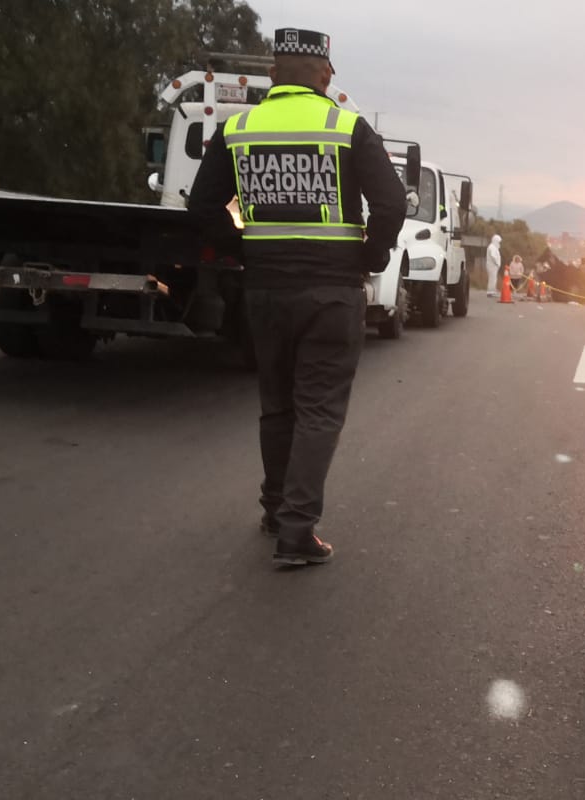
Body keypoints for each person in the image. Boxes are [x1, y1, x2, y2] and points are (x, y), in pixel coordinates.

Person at [188, 27, 407, 567]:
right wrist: (370, 255)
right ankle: (296, 530)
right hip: (331, 291)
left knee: (277, 404)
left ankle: (273, 508)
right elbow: (392, 203)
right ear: (326, 76)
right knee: (319, 409)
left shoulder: (238, 128)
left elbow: (202, 207)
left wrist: (242, 247)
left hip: (264, 289)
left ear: (271, 72)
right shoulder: (346, 126)